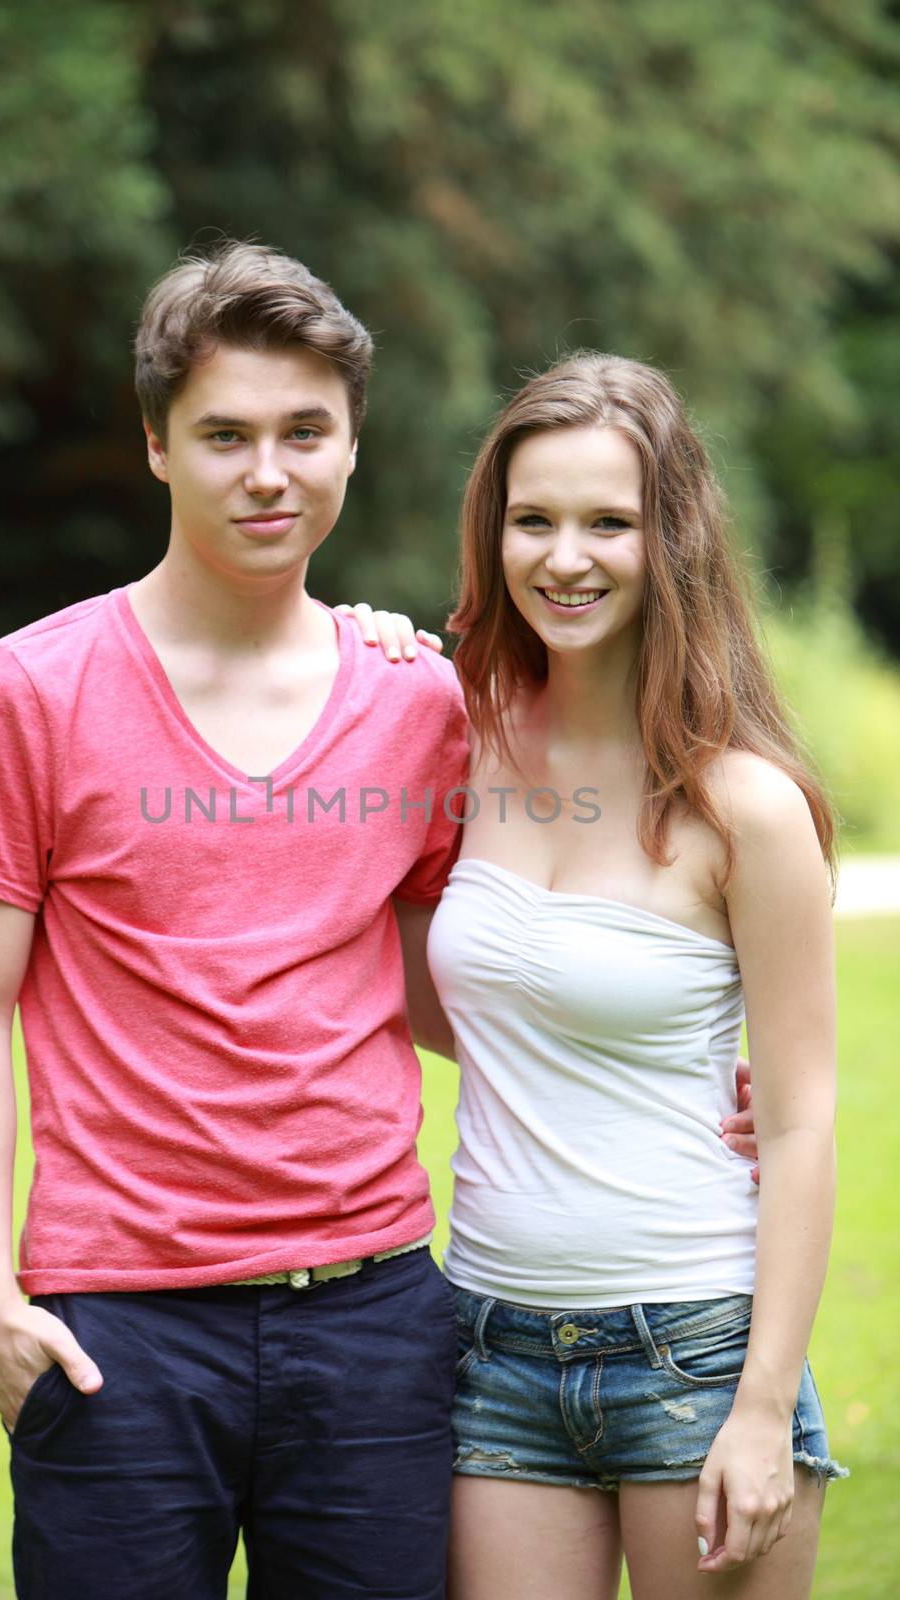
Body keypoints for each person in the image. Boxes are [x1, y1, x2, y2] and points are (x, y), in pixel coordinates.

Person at [0, 241, 472, 1600]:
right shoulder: (32, 689)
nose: (267, 473)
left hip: (374, 1318)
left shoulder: (417, 700)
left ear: (352, 446)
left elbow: (442, 981)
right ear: (157, 445)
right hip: (116, 1327)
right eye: (224, 435)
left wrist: (678, 1082)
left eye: (303, 433)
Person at [344, 352, 844, 1600]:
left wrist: (759, 1406)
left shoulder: (746, 809)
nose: (563, 556)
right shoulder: (458, 735)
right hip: (491, 1343)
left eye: (606, 521)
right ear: (493, 532)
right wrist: (353, 654)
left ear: (667, 538)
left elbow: (799, 1117)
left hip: (695, 1347)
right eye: (533, 520)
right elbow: (422, 990)